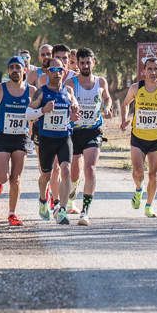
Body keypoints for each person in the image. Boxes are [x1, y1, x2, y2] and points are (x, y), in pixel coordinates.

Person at [120, 57, 157, 218]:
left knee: (153, 175)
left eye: (156, 69)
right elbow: (125, 104)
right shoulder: (136, 88)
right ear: (144, 71)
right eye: (150, 69)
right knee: (138, 172)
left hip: (156, 138)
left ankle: (149, 206)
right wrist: (124, 120)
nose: (153, 72)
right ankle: (139, 189)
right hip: (138, 137)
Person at [25, 58, 80, 225]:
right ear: (47, 72)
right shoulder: (41, 92)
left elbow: (74, 107)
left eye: (60, 70)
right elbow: (28, 114)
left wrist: (74, 113)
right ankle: (43, 200)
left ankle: (62, 210)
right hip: (46, 139)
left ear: (64, 72)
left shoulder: (69, 91)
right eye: (53, 70)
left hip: (64, 137)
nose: (57, 73)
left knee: (66, 170)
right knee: (46, 176)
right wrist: (43, 110)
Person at [0, 56, 35, 227]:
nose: (15, 70)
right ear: (8, 71)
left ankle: (12, 214)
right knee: (4, 177)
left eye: (18, 67)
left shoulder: (32, 91)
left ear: (24, 70)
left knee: (16, 178)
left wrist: (34, 132)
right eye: (11, 67)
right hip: (3, 137)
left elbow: (38, 112)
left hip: (21, 138)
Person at [65, 48, 113, 225]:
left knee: (90, 168)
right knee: (74, 171)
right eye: (82, 62)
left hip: (93, 130)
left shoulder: (100, 82)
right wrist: (74, 102)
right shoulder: (71, 82)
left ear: (94, 62)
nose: (85, 65)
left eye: (88, 62)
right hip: (75, 130)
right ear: (77, 63)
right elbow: (69, 95)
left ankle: (85, 211)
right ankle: (72, 195)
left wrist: (107, 107)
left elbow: (107, 98)